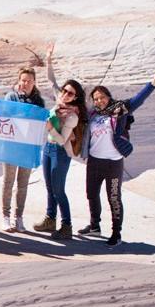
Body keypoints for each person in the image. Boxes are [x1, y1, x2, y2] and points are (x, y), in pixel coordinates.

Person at [80, 70, 155, 246]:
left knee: (113, 197)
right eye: (96, 99)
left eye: (102, 97)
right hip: (94, 161)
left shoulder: (119, 109)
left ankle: (116, 233)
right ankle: (95, 226)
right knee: (91, 194)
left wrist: (153, 84)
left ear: (108, 96)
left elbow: (137, 100)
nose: (99, 101)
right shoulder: (92, 114)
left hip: (113, 162)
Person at [39, 42, 87, 240]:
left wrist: (50, 127)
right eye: (65, 91)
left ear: (76, 98)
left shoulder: (72, 116)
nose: (65, 94)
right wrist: (49, 58)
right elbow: (51, 80)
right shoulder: (58, 104)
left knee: (58, 189)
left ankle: (66, 225)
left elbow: (62, 140)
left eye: (70, 93)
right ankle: (50, 219)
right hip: (47, 148)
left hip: (59, 152)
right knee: (49, 186)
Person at [0, 66, 45, 233]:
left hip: (27, 147)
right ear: (19, 81)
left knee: (23, 184)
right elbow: (5, 116)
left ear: (34, 82)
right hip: (11, 146)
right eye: (23, 80)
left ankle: (18, 218)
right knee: (8, 182)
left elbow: (38, 124)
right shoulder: (11, 97)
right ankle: (5, 217)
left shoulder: (39, 101)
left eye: (29, 81)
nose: (25, 83)